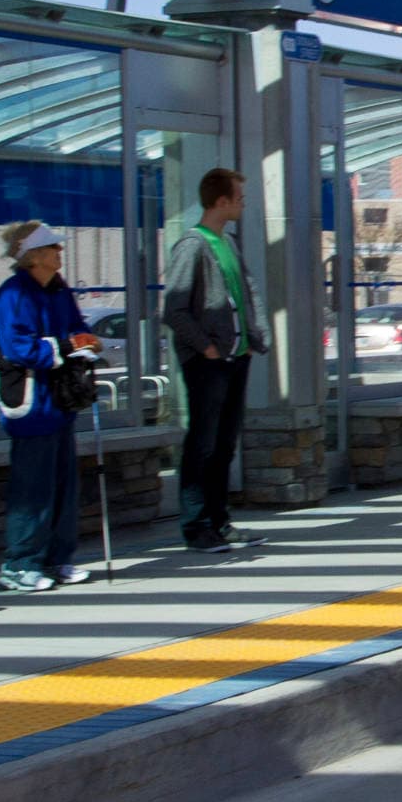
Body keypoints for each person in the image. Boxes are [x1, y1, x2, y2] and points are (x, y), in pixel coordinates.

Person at [0, 221, 102, 591]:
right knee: (32, 487)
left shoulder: (58, 290)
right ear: (33, 255)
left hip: (61, 400)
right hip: (31, 403)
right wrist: (67, 347)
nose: (59, 252)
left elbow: (79, 330)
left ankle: (57, 558)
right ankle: (19, 563)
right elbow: (19, 349)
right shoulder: (12, 294)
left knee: (63, 483)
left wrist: (84, 344)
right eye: (53, 247)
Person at [163, 167, 269, 553]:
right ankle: (196, 525)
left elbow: (244, 293)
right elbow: (174, 310)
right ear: (221, 201)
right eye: (239, 197)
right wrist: (205, 347)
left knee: (225, 444)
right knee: (202, 445)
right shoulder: (193, 245)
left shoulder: (230, 242)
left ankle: (220, 521)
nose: (243, 203)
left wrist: (253, 338)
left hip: (235, 357)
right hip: (208, 361)